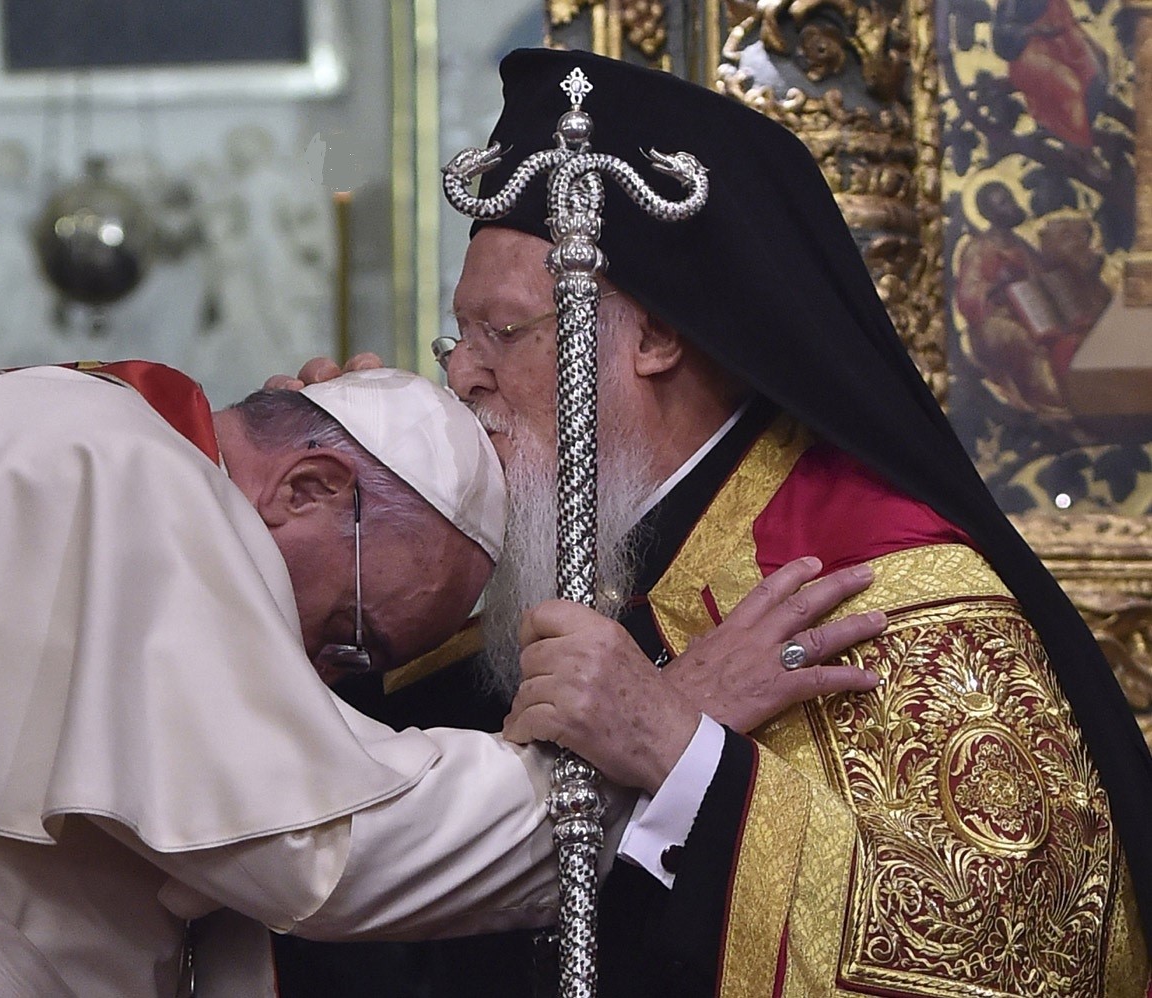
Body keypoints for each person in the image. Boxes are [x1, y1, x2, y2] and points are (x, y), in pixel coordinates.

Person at [273, 49, 1152, 997]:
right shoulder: (546, 554)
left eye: (507, 333)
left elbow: (1019, 944)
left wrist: (683, 754)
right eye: (460, 335)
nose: (462, 374)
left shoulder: (875, 577)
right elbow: (312, 837)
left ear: (656, 337)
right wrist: (302, 545)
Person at [0, 360, 880, 996]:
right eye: (352, 636)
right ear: (309, 486)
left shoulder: (105, 442)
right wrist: (663, 729)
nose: (329, 676)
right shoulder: (123, 470)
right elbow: (325, 845)